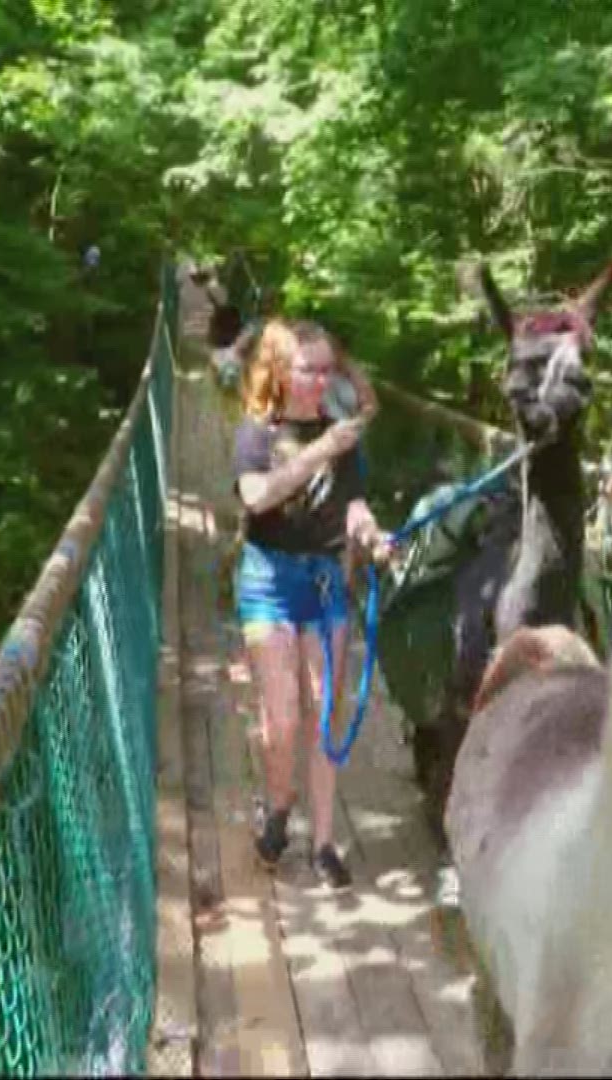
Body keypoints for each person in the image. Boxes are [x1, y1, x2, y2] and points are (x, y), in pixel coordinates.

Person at [232, 317, 390, 889]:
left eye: (328, 371)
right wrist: (320, 448)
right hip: (268, 582)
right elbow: (258, 497)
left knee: (325, 712)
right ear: (280, 370)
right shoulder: (256, 434)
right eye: (309, 370)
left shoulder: (343, 438)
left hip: (324, 582)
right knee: (283, 719)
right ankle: (279, 805)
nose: (321, 382)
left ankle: (324, 842)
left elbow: (353, 508)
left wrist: (372, 534)